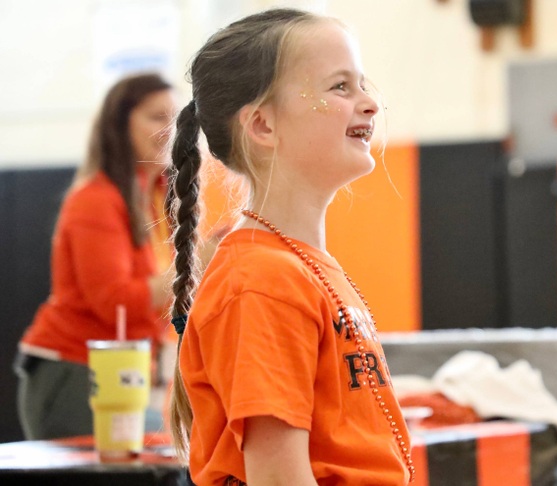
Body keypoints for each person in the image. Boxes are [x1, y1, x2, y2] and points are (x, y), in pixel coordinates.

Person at [168, 8, 414, 486]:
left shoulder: (297, 266)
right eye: (340, 87)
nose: (368, 103)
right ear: (263, 126)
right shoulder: (262, 280)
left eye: (363, 84)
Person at [15, 73, 177, 440]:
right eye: (156, 117)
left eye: (176, 117)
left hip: (128, 372)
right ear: (119, 126)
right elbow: (115, 302)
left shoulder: (161, 198)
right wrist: (189, 269)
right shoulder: (96, 200)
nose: (170, 129)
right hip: (74, 371)